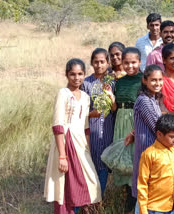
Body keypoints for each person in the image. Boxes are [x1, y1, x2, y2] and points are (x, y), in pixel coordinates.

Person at [44, 58, 101, 214]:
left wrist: (87, 150)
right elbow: (57, 126)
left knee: (90, 182)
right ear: (67, 75)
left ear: (84, 74)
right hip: (65, 143)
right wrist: (62, 156)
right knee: (64, 185)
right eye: (73, 74)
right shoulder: (63, 94)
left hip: (81, 144)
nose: (77, 78)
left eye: (80, 74)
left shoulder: (85, 97)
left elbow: (86, 127)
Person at [80, 48, 117, 197]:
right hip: (91, 130)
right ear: (91, 63)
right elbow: (80, 109)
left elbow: (115, 109)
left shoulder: (112, 82)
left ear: (108, 63)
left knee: (104, 164)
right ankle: (88, 199)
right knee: (91, 162)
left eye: (102, 62)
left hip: (108, 129)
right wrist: (91, 114)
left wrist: (111, 97)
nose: (99, 65)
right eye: (96, 62)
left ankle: (97, 199)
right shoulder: (86, 83)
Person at [137, 114, 174, 214]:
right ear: (159, 134)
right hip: (154, 208)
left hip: (173, 207)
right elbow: (142, 184)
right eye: (172, 137)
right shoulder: (149, 154)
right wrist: (143, 211)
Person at [113, 47, 143, 214]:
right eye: (126, 62)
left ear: (139, 62)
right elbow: (115, 105)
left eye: (133, 62)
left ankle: (135, 199)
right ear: (122, 63)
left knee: (134, 158)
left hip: (135, 121)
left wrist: (136, 128)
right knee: (123, 157)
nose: (130, 66)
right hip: (120, 120)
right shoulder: (120, 81)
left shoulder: (143, 79)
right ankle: (127, 194)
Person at [132, 64, 163, 201]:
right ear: (145, 80)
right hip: (147, 149)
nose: (157, 83)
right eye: (153, 80)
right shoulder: (144, 100)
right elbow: (157, 127)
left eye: (160, 80)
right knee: (146, 192)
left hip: (153, 150)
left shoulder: (153, 99)